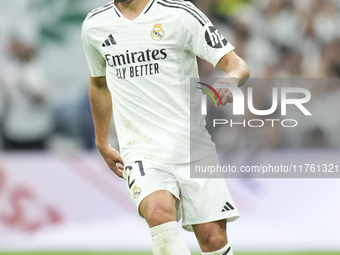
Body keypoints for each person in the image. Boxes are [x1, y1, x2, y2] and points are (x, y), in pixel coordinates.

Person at [81, 0, 250, 254]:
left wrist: (230, 78)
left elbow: (238, 65)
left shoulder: (179, 14)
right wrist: (102, 141)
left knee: (213, 239)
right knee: (158, 213)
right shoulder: (95, 25)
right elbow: (99, 84)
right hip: (141, 151)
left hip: (193, 148)